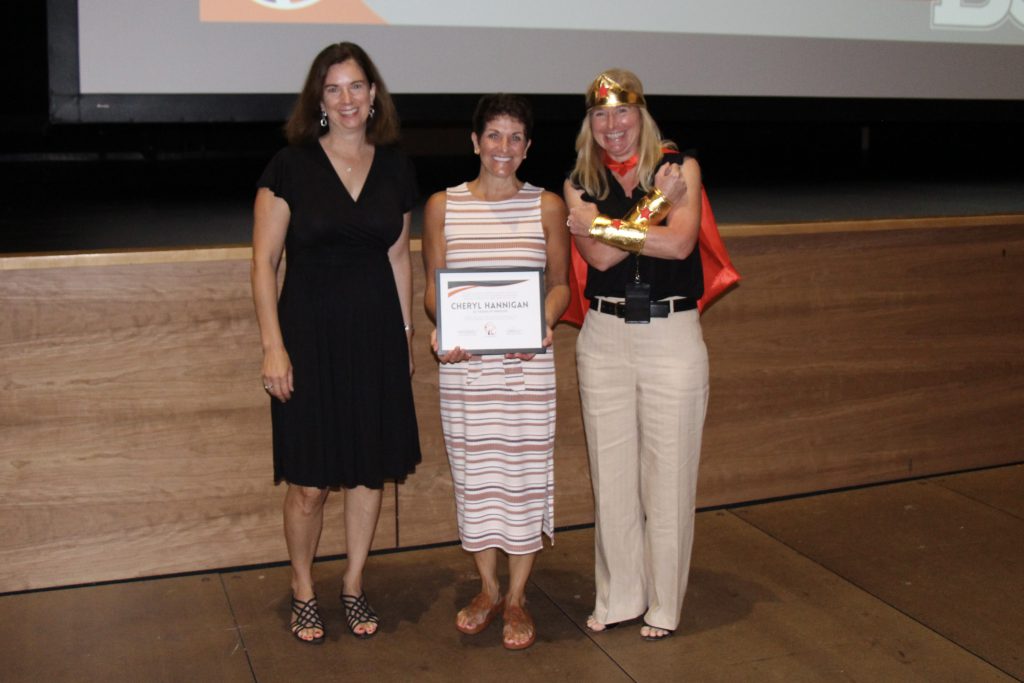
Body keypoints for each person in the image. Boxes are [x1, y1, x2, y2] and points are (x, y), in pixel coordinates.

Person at [250, 42, 420, 645]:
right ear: (318, 100)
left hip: (374, 335)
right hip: (309, 338)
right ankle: (303, 589)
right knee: (311, 483)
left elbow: (399, 256)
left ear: (374, 95)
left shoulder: (396, 167)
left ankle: (351, 584)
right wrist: (273, 346)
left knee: (369, 474)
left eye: (357, 87)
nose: (347, 100)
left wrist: (403, 340)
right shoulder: (288, 166)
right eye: (334, 89)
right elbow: (264, 263)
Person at [563, 69, 709, 641]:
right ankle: (620, 595)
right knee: (613, 476)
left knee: (668, 477)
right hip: (603, 339)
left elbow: (680, 243)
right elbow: (597, 263)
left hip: (672, 334)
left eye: (622, 113)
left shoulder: (680, 168)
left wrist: (606, 225)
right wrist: (654, 208)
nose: (612, 126)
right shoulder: (579, 178)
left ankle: (664, 604)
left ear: (641, 114)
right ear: (589, 123)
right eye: (600, 115)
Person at [422, 94, 569, 650]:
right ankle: (486, 587)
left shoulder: (546, 205)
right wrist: (446, 329)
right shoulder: (443, 205)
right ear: (475, 141)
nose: (503, 148)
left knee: (524, 480)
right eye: (493, 136)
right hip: (467, 372)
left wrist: (542, 321)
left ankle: (517, 597)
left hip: (525, 368)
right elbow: (437, 291)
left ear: (528, 147)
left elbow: (559, 284)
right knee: (477, 478)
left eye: (515, 138)